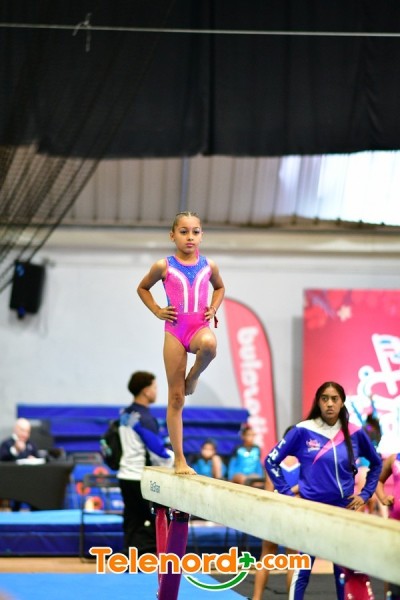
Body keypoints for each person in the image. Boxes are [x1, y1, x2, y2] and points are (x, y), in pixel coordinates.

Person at [265, 381, 382, 600]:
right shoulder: (303, 430)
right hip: (311, 511)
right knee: (302, 570)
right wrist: (288, 495)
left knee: (343, 571)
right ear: (318, 402)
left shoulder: (355, 432)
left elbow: (377, 463)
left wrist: (365, 494)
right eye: (324, 399)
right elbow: (271, 461)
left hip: (343, 511)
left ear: (342, 402)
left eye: (334, 399)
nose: (329, 404)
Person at [137, 211, 225, 475]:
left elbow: (220, 287)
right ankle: (179, 460)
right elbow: (142, 288)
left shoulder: (209, 266)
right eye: (184, 231)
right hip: (175, 332)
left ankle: (194, 375)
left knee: (210, 345)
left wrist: (213, 307)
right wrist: (157, 310)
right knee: (176, 398)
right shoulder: (164, 266)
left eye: (195, 232)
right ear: (172, 235)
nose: (190, 237)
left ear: (201, 235)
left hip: (198, 328)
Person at [117, 371, 174, 557]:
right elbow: (157, 450)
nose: (157, 391)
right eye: (155, 387)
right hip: (139, 477)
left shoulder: (125, 413)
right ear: (145, 390)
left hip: (125, 475)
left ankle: (129, 556)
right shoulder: (145, 418)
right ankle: (146, 558)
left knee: (132, 520)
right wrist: (178, 461)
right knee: (150, 521)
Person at [252, 426, 300, 600]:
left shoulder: (273, 460)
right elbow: (306, 487)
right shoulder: (305, 461)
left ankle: (257, 597)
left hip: (274, 510)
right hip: (292, 511)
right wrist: (292, 491)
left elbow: (268, 490)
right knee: (293, 559)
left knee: (266, 556)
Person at [0, 418, 40, 511]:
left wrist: (34, 460)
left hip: (30, 481)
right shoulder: (7, 444)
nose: (25, 434)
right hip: (11, 482)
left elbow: (38, 458)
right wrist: (15, 450)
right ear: (16, 429)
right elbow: (3, 459)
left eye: (28, 432)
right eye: (22, 430)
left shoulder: (31, 445)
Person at [375, 452, 400, 599]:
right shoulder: (394, 459)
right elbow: (378, 480)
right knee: (390, 567)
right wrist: (383, 498)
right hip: (395, 523)